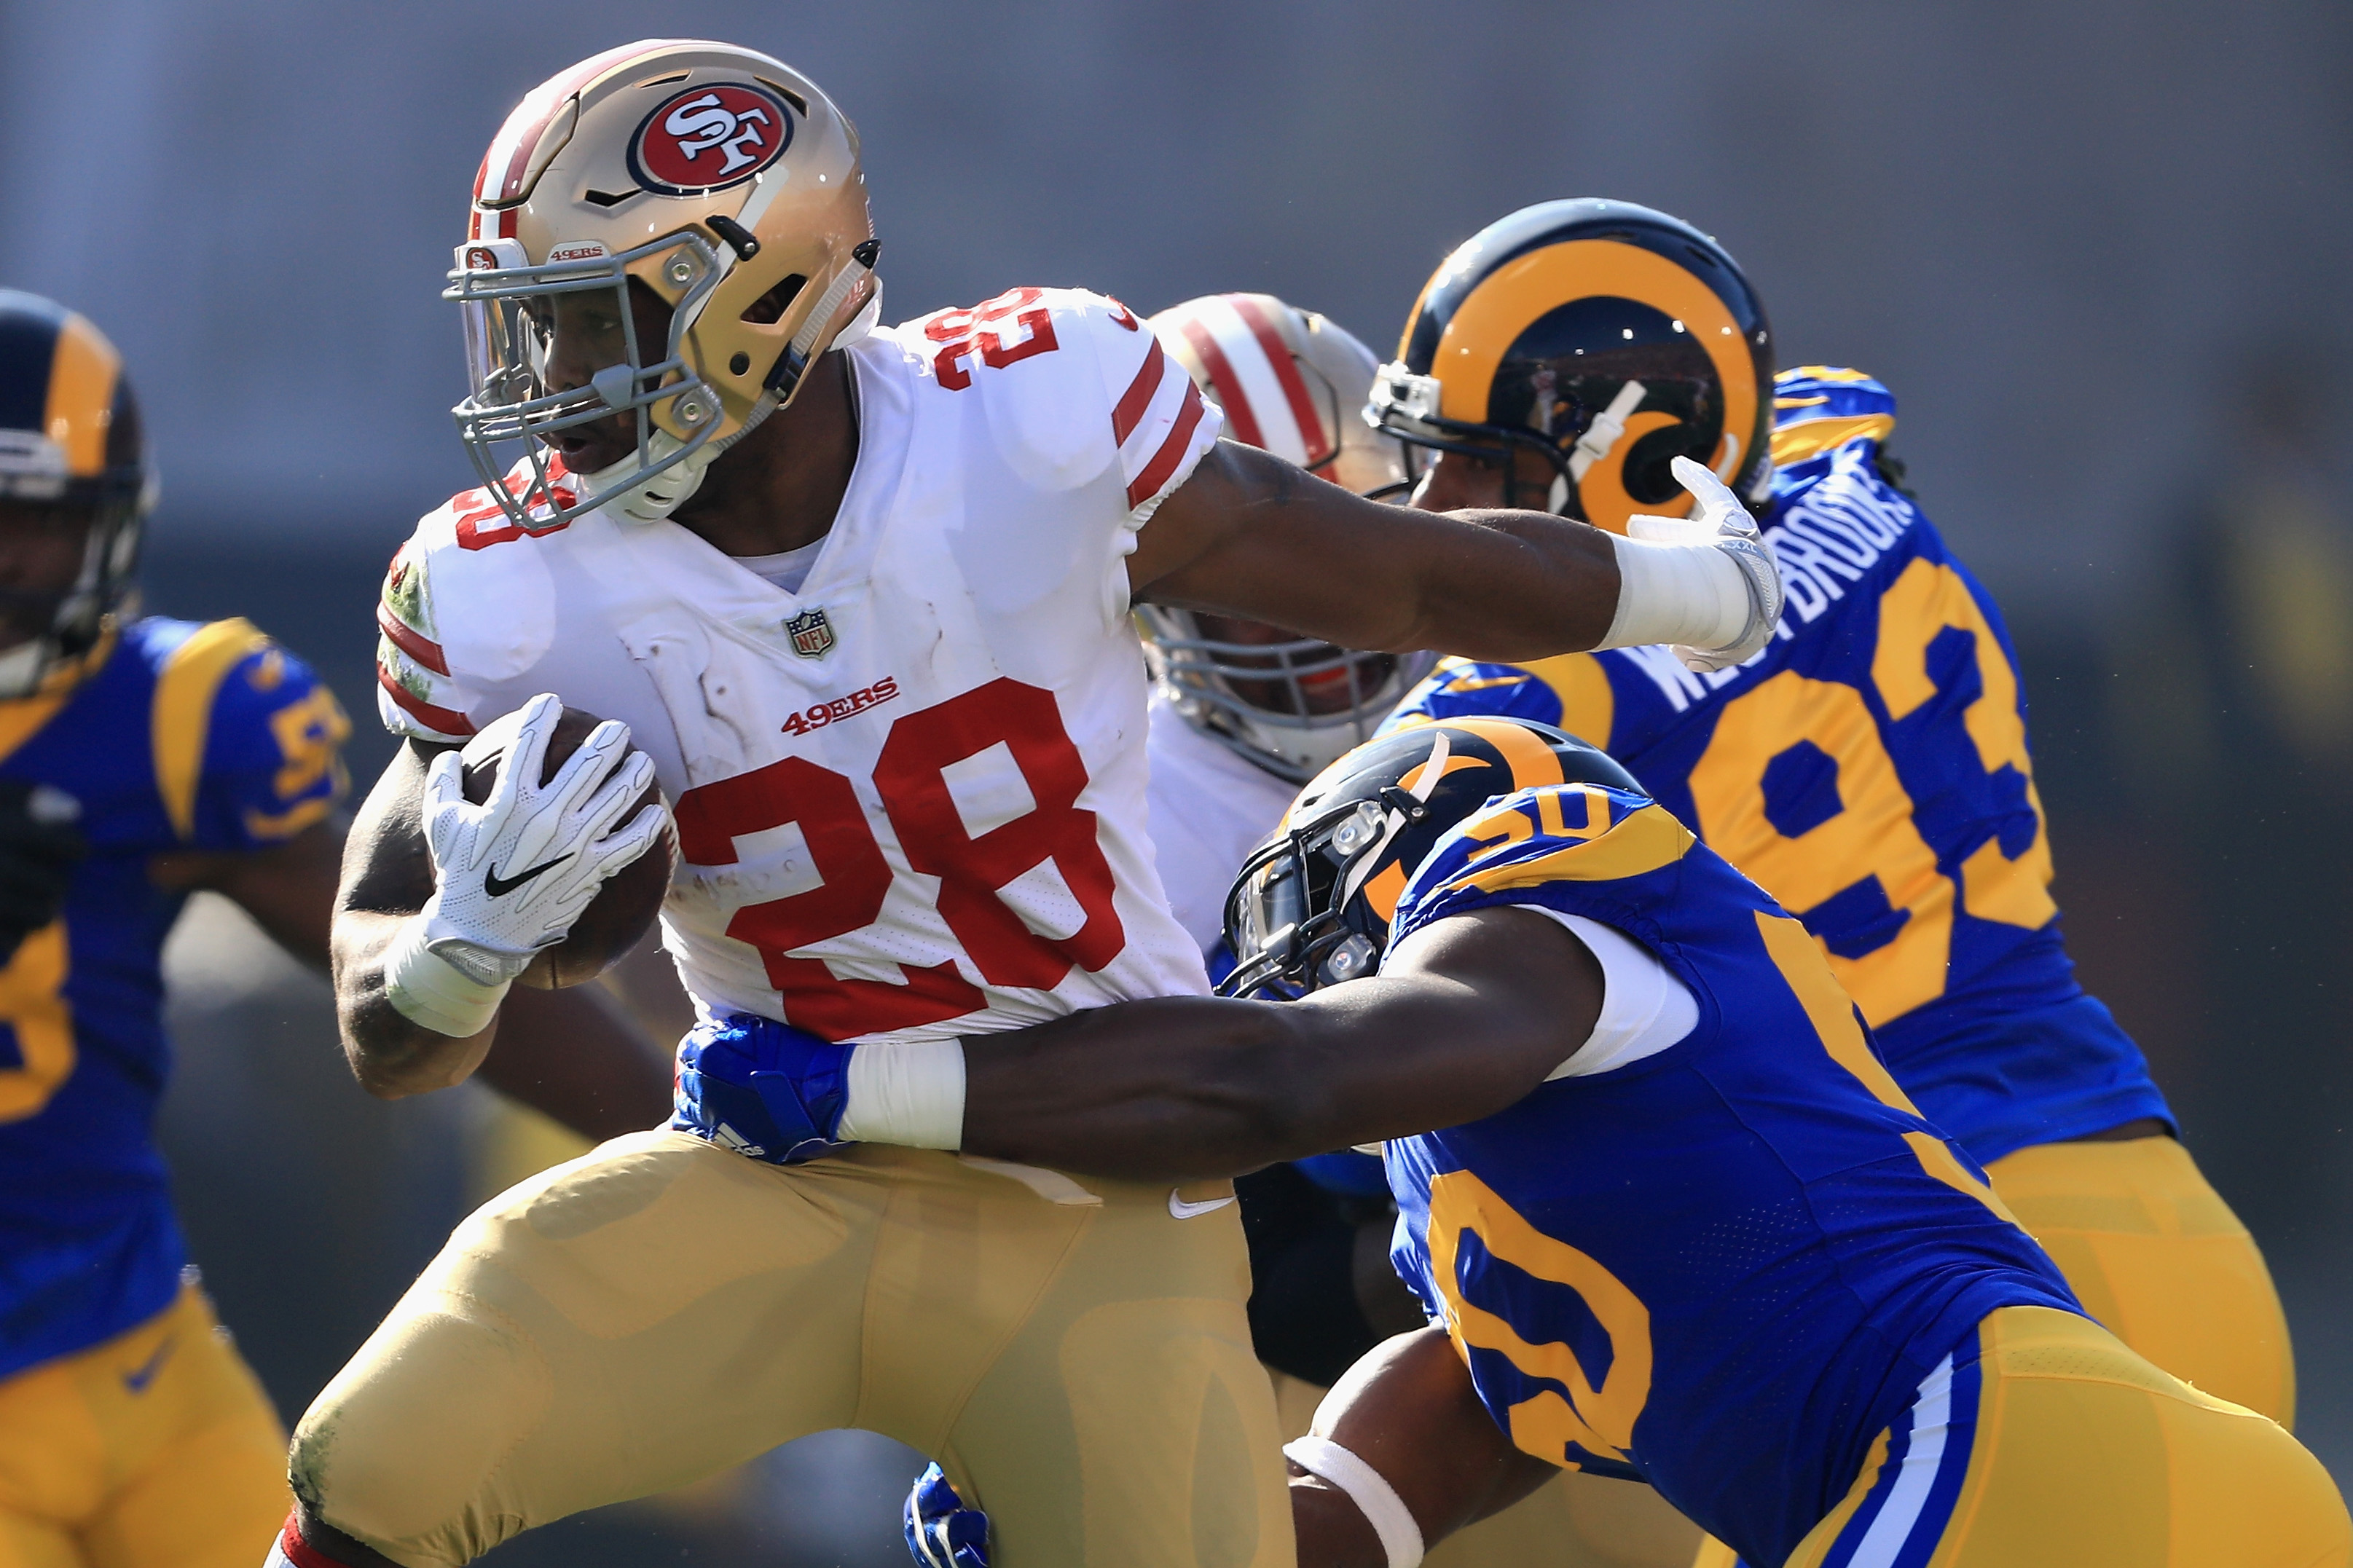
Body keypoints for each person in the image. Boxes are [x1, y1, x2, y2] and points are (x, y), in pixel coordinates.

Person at [275, 39, 1785, 1568]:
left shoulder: (1024, 413)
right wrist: (455, 957)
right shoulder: (502, 590)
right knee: (387, 1455)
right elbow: (382, 1024)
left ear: (761, 303)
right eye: (529, 336)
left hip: (1097, 1209)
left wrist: (1694, 587)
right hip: (775, 1173)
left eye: (590, 331)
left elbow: (1382, 574)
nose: (548, 394)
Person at [889, 717, 2347, 1568]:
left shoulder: (1556, 891)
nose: (1302, 967)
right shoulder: (1482, 1274)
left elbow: (1279, 1078)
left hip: (2010, 1448)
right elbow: (1347, 1520)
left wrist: (905, 1089)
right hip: (2099, 1482)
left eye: (1312, 917)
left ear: (1408, 845)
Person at [1368, 200, 2295, 1448]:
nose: (1432, 504)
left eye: (1473, 463)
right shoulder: (1844, 460)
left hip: (1933, 1301)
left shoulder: (1529, 700)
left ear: (1627, 449)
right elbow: (1791, 416)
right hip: (2166, 1220)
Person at [0, 291, 670, 1568]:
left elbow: (382, 942)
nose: (3, 567)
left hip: (134, 1353)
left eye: (30, 520)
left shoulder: (170, 720)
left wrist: (694, 1131)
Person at [1140, 293, 1695, 1568]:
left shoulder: (1531, 686)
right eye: (1250, 590)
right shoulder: (1130, 792)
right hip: (1313, 1303)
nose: (1311, 622)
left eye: (1336, 551)